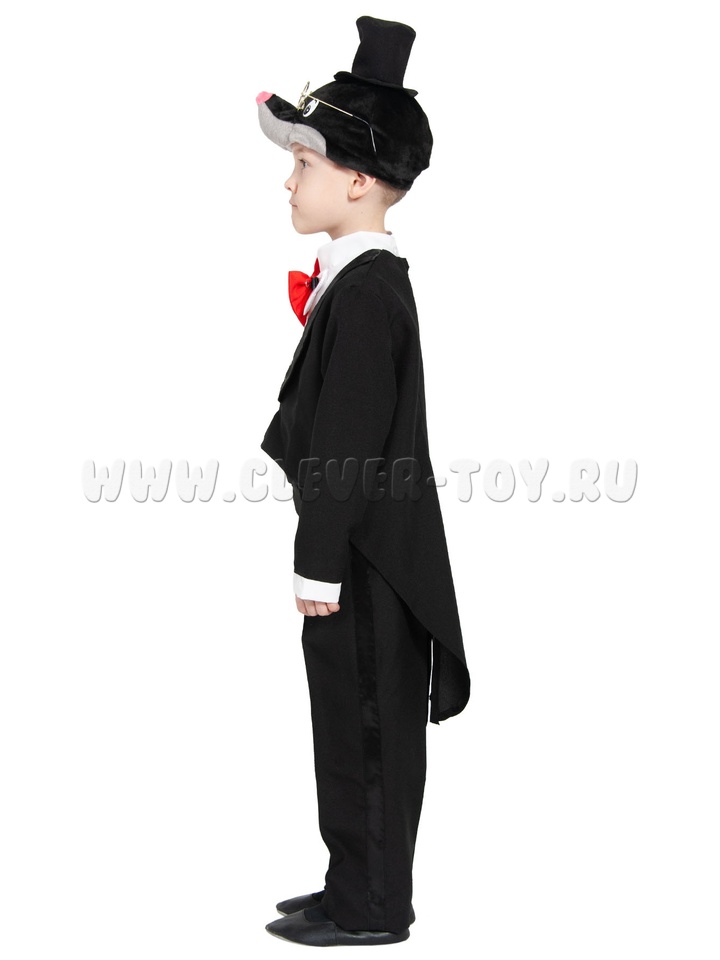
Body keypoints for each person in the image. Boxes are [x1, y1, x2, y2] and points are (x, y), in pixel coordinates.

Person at [256, 16, 471, 947]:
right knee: (344, 730)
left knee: (372, 738)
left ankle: (373, 910)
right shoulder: (357, 282)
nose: (289, 180)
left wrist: (318, 561)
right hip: (355, 556)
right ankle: (350, 883)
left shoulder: (374, 290)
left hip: (367, 565)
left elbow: (348, 439)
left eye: (303, 162)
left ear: (356, 180)